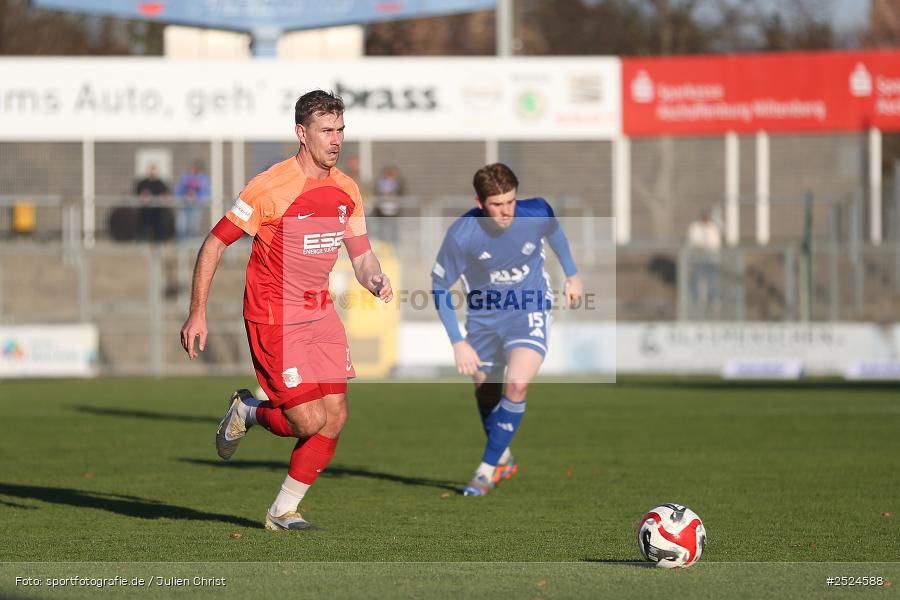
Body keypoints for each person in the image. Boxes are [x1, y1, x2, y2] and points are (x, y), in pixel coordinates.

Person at [180, 90, 393, 531]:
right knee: (308, 420)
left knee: (335, 417)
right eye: (326, 130)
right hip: (275, 315)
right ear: (301, 133)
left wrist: (374, 277)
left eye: (340, 130)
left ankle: (282, 511)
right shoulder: (270, 186)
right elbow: (214, 243)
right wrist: (197, 311)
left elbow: (361, 255)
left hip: (321, 312)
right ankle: (248, 411)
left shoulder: (347, 188)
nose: (336, 140)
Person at [431, 163, 582, 497]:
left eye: (511, 201)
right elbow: (440, 286)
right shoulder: (462, 234)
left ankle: (485, 471)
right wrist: (458, 342)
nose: (506, 211)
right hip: (483, 318)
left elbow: (554, 231)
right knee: (486, 391)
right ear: (480, 202)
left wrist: (572, 275)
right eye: (497, 204)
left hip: (530, 308)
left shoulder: (536, 212)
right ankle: (504, 457)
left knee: (516, 384)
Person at [686, 209, 721, 318]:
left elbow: (715, 243)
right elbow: (694, 242)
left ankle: (713, 301)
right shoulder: (695, 227)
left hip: (712, 260)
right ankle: (698, 302)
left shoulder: (713, 227)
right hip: (699, 260)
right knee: (698, 281)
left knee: (713, 281)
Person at [175, 160, 211, 241]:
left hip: (196, 205)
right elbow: (179, 189)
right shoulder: (185, 176)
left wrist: (196, 198)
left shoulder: (203, 178)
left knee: (193, 225)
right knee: (182, 225)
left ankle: (191, 243)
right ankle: (182, 242)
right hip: (184, 205)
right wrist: (184, 196)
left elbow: (206, 193)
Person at [134, 163, 170, 241]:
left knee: (159, 228)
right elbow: (137, 194)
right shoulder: (142, 183)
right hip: (145, 211)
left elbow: (165, 195)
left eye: (154, 170)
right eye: (151, 169)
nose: (152, 172)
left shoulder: (161, 183)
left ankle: (159, 244)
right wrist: (143, 197)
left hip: (158, 212)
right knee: (143, 228)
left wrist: (162, 198)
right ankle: (142, 243)